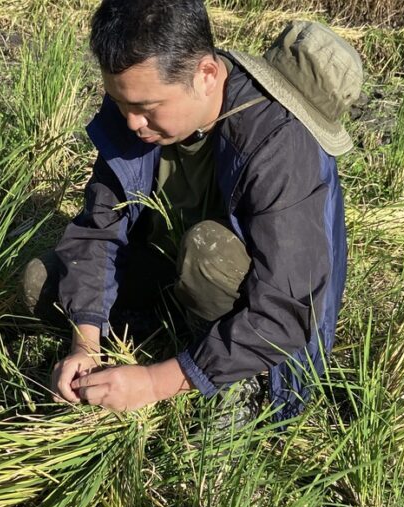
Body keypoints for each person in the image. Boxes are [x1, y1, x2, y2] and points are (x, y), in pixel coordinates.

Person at [22, 0, 361, 422]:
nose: (131, 123)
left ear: (205, 75)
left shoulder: (279, 145)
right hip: (169, 271)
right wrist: (85, 345)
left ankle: (239, 387)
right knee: (45, 281)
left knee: (208, 250)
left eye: (146, 108)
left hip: (257, 320)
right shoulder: (134, 104)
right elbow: (100, 229)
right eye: (119, 102)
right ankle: (170, 339)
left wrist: (152, 383)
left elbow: (286, 310)